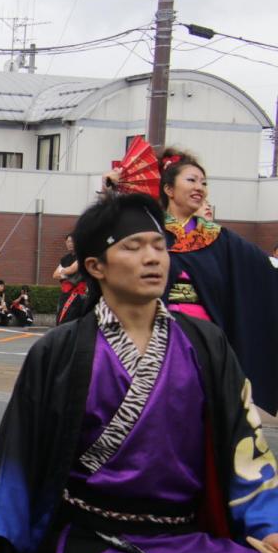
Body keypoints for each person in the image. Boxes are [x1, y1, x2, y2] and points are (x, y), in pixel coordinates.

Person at [0, 191, 278, 553]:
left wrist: (266, 525)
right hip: (92, 546)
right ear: (96, 266)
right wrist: (1, 552)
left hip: (184, 542)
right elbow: (18, 459)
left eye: (159, 245)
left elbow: (244, 443)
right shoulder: (61, 350)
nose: (154, 258)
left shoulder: (205, 342)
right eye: (134, 246)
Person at [106, 148, 278, 414]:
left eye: (204, 182)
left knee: (204, 416)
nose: (200, 187)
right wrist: (111, 194)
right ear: (169, 190)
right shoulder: (148, 231)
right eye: (192, 180)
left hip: (206, 341)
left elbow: (264, 271)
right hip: (153, 336)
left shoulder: (219, 238)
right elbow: (107, 247)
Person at [52, 234, 86, 323]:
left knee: (68, 318)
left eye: (72, 241)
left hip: (77, 293)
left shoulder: (82, 256)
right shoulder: (64, 258)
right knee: (60, 317)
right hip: (65, 292)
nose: (70, 244)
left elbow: (72, 269)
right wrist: (66, 272)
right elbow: (55, 275)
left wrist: (63, 272)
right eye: (68, 241)